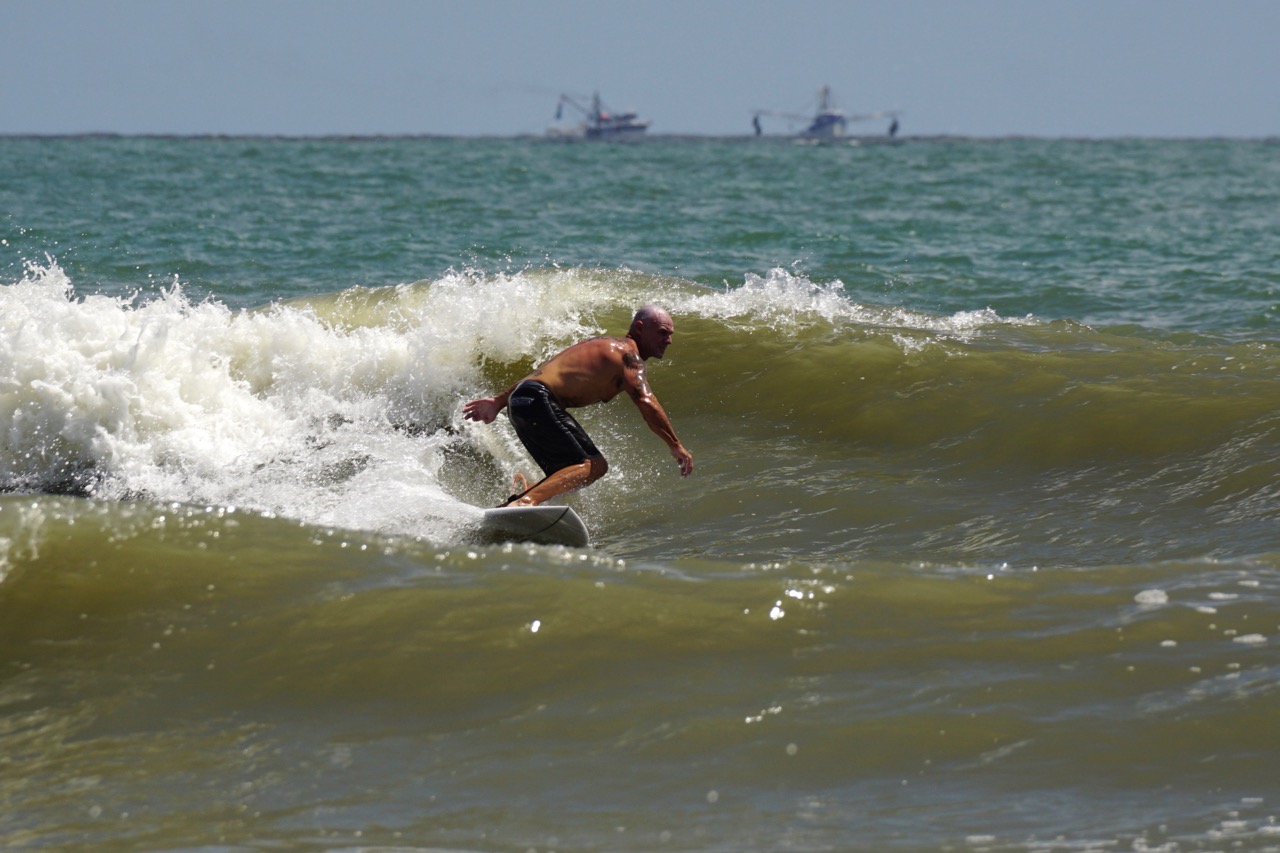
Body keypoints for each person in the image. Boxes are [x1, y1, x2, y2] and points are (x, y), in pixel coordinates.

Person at [462, 304, 694, 507]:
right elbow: (646, 401)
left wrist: (499, 401)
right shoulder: (629, 355)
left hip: (521, 400)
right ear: (640, 328)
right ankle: (525, 503)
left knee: (565, 473)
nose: (668, 340)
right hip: (539, 400)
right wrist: (675, 445)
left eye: (670, 335)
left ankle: (513, 504)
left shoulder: (600, 345)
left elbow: (542, 373)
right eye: (662, 332)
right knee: (594, 465)